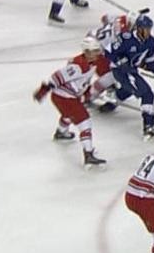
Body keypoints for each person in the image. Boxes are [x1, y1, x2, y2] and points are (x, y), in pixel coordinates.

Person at [33, 36, 108, 169]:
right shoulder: (77, 66)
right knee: (84, 121)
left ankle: (61, 132)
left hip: (68, 96)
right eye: (95, 51)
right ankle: (88, 154)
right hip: (64, 97)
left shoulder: (90, 62)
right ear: (87, 52)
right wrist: (43, 91)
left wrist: (84, 93)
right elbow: (57, 77)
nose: (98, 53)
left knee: (68, 114)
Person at [104, 13, 154, 139]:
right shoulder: (126, 38)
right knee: (147, 94)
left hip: (132, 70)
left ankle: (113, 99)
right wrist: (119, 61)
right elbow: (108, 51)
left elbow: (150, 60)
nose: (148, 32)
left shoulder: (151, 41)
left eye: (149, 29)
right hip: (120, 71)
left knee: (131, 90)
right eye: (146, 29)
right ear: (139, 28)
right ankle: (148, 126)